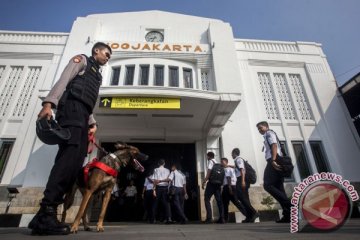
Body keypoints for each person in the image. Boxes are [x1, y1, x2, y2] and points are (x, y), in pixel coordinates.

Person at [28, 42, 112, 235]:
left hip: (82, 114)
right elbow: (64, 80)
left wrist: (92, 121)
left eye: (109, 56)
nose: (108, 58)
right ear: (96, 51)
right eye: (106, 53)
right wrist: (49, 103)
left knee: (76, 163)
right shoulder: (81, 60)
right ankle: (47, 213)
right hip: (71, 110)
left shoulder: (97, 75)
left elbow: (87, 101)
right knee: (68, 159)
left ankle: (42, 214)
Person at [256, 121, 291, 223]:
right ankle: (288, 215)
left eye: (260, 128)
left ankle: (289, 204)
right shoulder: (267, 134)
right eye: (258, 129)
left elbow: (274, 145)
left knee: (267, 185)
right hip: (275, 160)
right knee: (279, 188)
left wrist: (273, 160)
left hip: (274, 160)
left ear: (266, 127)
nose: (259, 130)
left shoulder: (269, 133)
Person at [232, 148, 259, 223]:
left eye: (232, 153)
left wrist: (243, 181)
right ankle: (249, 216)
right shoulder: (237, 160)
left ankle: (253, 212)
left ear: (234, 153)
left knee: (241, 197)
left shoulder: (238, 159)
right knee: (245, 198)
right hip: (241, 180)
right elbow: (237, 168)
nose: (231, 155)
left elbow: (242, 170)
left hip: (241, 180)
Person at [220, 157, 248, 223]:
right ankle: (225, 219)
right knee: (229, 203)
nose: (221, 163)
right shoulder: (230, 168)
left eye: (222, 162)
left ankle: (247, 214)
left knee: (229, 203)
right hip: (231, 186)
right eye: (221, 162)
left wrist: (229, 187)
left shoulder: (227, 169)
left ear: (226, 162)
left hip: (228, 187)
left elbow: (228, 178)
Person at [202, 152, 225, 224]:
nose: (207, 157)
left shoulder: (210, 161)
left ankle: (209, 218)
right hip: (218, 184)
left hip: (211, 183)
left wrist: (204, 181)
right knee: (219, 201)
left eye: (207, 156)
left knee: (206, 198)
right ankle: (222, 218)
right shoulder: (218, 163)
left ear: (209, 156)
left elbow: (209, 171)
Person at [152, 159, 172, 224]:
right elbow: (169, 180)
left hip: (158, 187)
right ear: (164, 164)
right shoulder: (168, 170)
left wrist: (154, 190)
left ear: (158, 164)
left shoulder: (156, 169)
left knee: (155, 203)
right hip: (165, 188)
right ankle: (168, 218)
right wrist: (168, 189)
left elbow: (154, 180)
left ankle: (153, 219)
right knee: (167, 203)